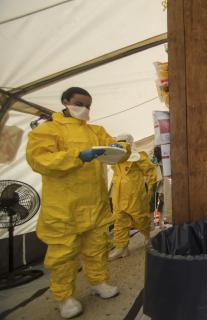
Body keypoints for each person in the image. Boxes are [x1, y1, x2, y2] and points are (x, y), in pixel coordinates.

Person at [26, 87, 129, 319]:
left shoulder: (96, 131)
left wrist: (122, 147)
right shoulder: (47, 131)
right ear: (65, 101)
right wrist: (76, 157)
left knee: (97, 248)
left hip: (94, 203)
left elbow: (115, 148)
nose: (85, 110)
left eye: (88, 106)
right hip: (64, 207)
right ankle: (64, 297)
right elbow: (40, 160)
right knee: (63, 256)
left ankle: (99, 282)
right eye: (80, 104)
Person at [108, 133, 157, 261]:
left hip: (134, 194)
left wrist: (152, 188)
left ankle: (147, 237)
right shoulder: (115, 159)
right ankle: (121, 248)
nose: (121, 144)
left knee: (140, 217)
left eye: (123, 141)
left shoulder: (138, 156)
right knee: (119, 221)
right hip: (118, 195)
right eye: (119, 142)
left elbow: (151, 171)